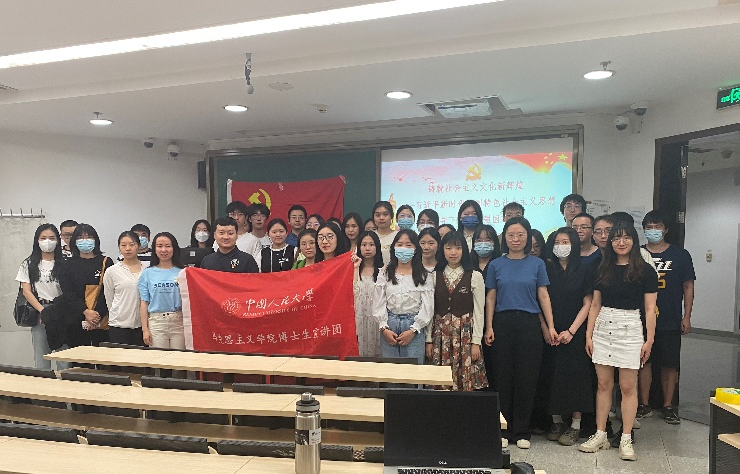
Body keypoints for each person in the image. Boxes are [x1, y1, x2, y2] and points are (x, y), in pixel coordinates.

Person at [579, 222, 657, 461]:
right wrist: (589, 334)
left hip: (631, 328)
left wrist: (649, 339)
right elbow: (595, 304)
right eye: (616, 239)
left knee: (628, 387)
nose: (621, 243)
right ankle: (600, 434)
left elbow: (650, 308)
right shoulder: (603, 269)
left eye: (626, 238)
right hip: (603, 327)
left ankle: (626, 438)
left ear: (634, 240)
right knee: (603, 384)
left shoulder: (645, 270)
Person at [484, 216, 557, 449]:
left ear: (528, 237)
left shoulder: (537, 264)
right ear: (504, 238)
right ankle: (503, 429)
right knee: (503, 378)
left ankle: (522, 431)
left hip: (529, 324)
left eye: (520, 235)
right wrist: (489, 326)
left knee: (527, 377)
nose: (515, 239)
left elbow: (543, 296)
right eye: (511, 235)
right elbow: (491, 297)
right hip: (502, 323)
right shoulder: (496, 264)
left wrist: (551, 326)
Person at [637, 210, 695, 424]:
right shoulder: (638, 253)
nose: (653, 230)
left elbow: (688, 286)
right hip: (641, 318)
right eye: (649, 227)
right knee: (644, 361)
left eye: (657, 226)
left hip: (670, 317)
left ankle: (668, 406)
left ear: (666, 229)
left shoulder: (680, 255)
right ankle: (644, 405)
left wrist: (686, 316)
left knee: (669, 363)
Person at [544, 227, 595, 446]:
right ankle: (556, 421)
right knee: (551, 375)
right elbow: (540, 299)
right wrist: (548, 328)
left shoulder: (584, 268)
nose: (561, 246)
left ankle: (575, 424)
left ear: (574, 244)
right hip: (551, 331)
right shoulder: (546, 268)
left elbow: (588, 303)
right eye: (557, 242)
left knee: (577, 376)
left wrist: (572, 331)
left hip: (576, 330)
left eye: (565, 242)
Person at [427, 231, 488, 391]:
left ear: (464, 250)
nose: (453, 252)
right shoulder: (434, 276)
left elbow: (479, 312)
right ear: (442, 250)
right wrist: (428, 340)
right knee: (440, 382)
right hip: (440, 336)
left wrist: (476, 342)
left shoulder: (475, 276)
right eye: (448, 248)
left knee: (464, 383)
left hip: (465, 335)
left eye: (458, 248)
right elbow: (430, 311)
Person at [373, 230, 433, 365]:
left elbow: (428, 307)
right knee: (390, 370)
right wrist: (384, 329)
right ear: (393, 247)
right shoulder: (385, 273)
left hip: (413, 326)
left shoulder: (424, 275)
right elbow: (378, 302)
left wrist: (413, 330)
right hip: (389, 325)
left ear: (416, 249)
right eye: (399, 245)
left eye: (408, 245)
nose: (403, 249)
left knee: (413, 370)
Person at [16, 223, 65, 369]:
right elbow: (26, 291)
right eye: (43, 238)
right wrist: (43, 311)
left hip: (61, 311)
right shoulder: (28, 263)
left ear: (58, 240)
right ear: (37, 240)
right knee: (41, 356)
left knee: (64, 356)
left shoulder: (65, 263)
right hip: (39, 312)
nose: (47, 241)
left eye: (52, 238)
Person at [58, 223, 113, 348]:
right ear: (74, 241)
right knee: (78, 357)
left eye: (89, 237)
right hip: (75, 319)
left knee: (103, 357)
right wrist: (85, 312)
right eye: (80, 237)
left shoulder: (106, 262)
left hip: (102, 320)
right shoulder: (67, 265)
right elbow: (68, 293)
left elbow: (108, 292)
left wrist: (96, 315)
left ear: (95, 240)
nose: (85, 240)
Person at [139, 232, 185, 349]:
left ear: (174, 248)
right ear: (154, 249)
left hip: (179, 322)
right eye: (159, 246)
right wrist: (145, 329)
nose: (164, 250)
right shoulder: (147, 273)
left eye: (168, 246)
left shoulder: (183, 272)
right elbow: (144, 302)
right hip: (157, 322)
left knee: (179, 359)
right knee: (158, 358)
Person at [104, 231, 144, 346]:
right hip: (119, 324)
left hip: (143, 325)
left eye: (132, 244)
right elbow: (109, 299)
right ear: (119, 247)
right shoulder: (112, 271)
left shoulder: (147, 269)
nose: (128, 249)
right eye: (123, 245)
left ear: (138, 246)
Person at [351, 231, 384, 357]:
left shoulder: (383, 271)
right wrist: (355, 268)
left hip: (377, 321)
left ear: (377, 247)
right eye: (364, 245)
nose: (367, 248)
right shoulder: (353, 268)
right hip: (358, 319)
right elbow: (353, 293)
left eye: (371, 244)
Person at [373, 201, 398, 265]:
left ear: (391, 216)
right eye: (377, 215)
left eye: (385, 214)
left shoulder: (399, 236)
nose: (381, 218)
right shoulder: (369, 237)